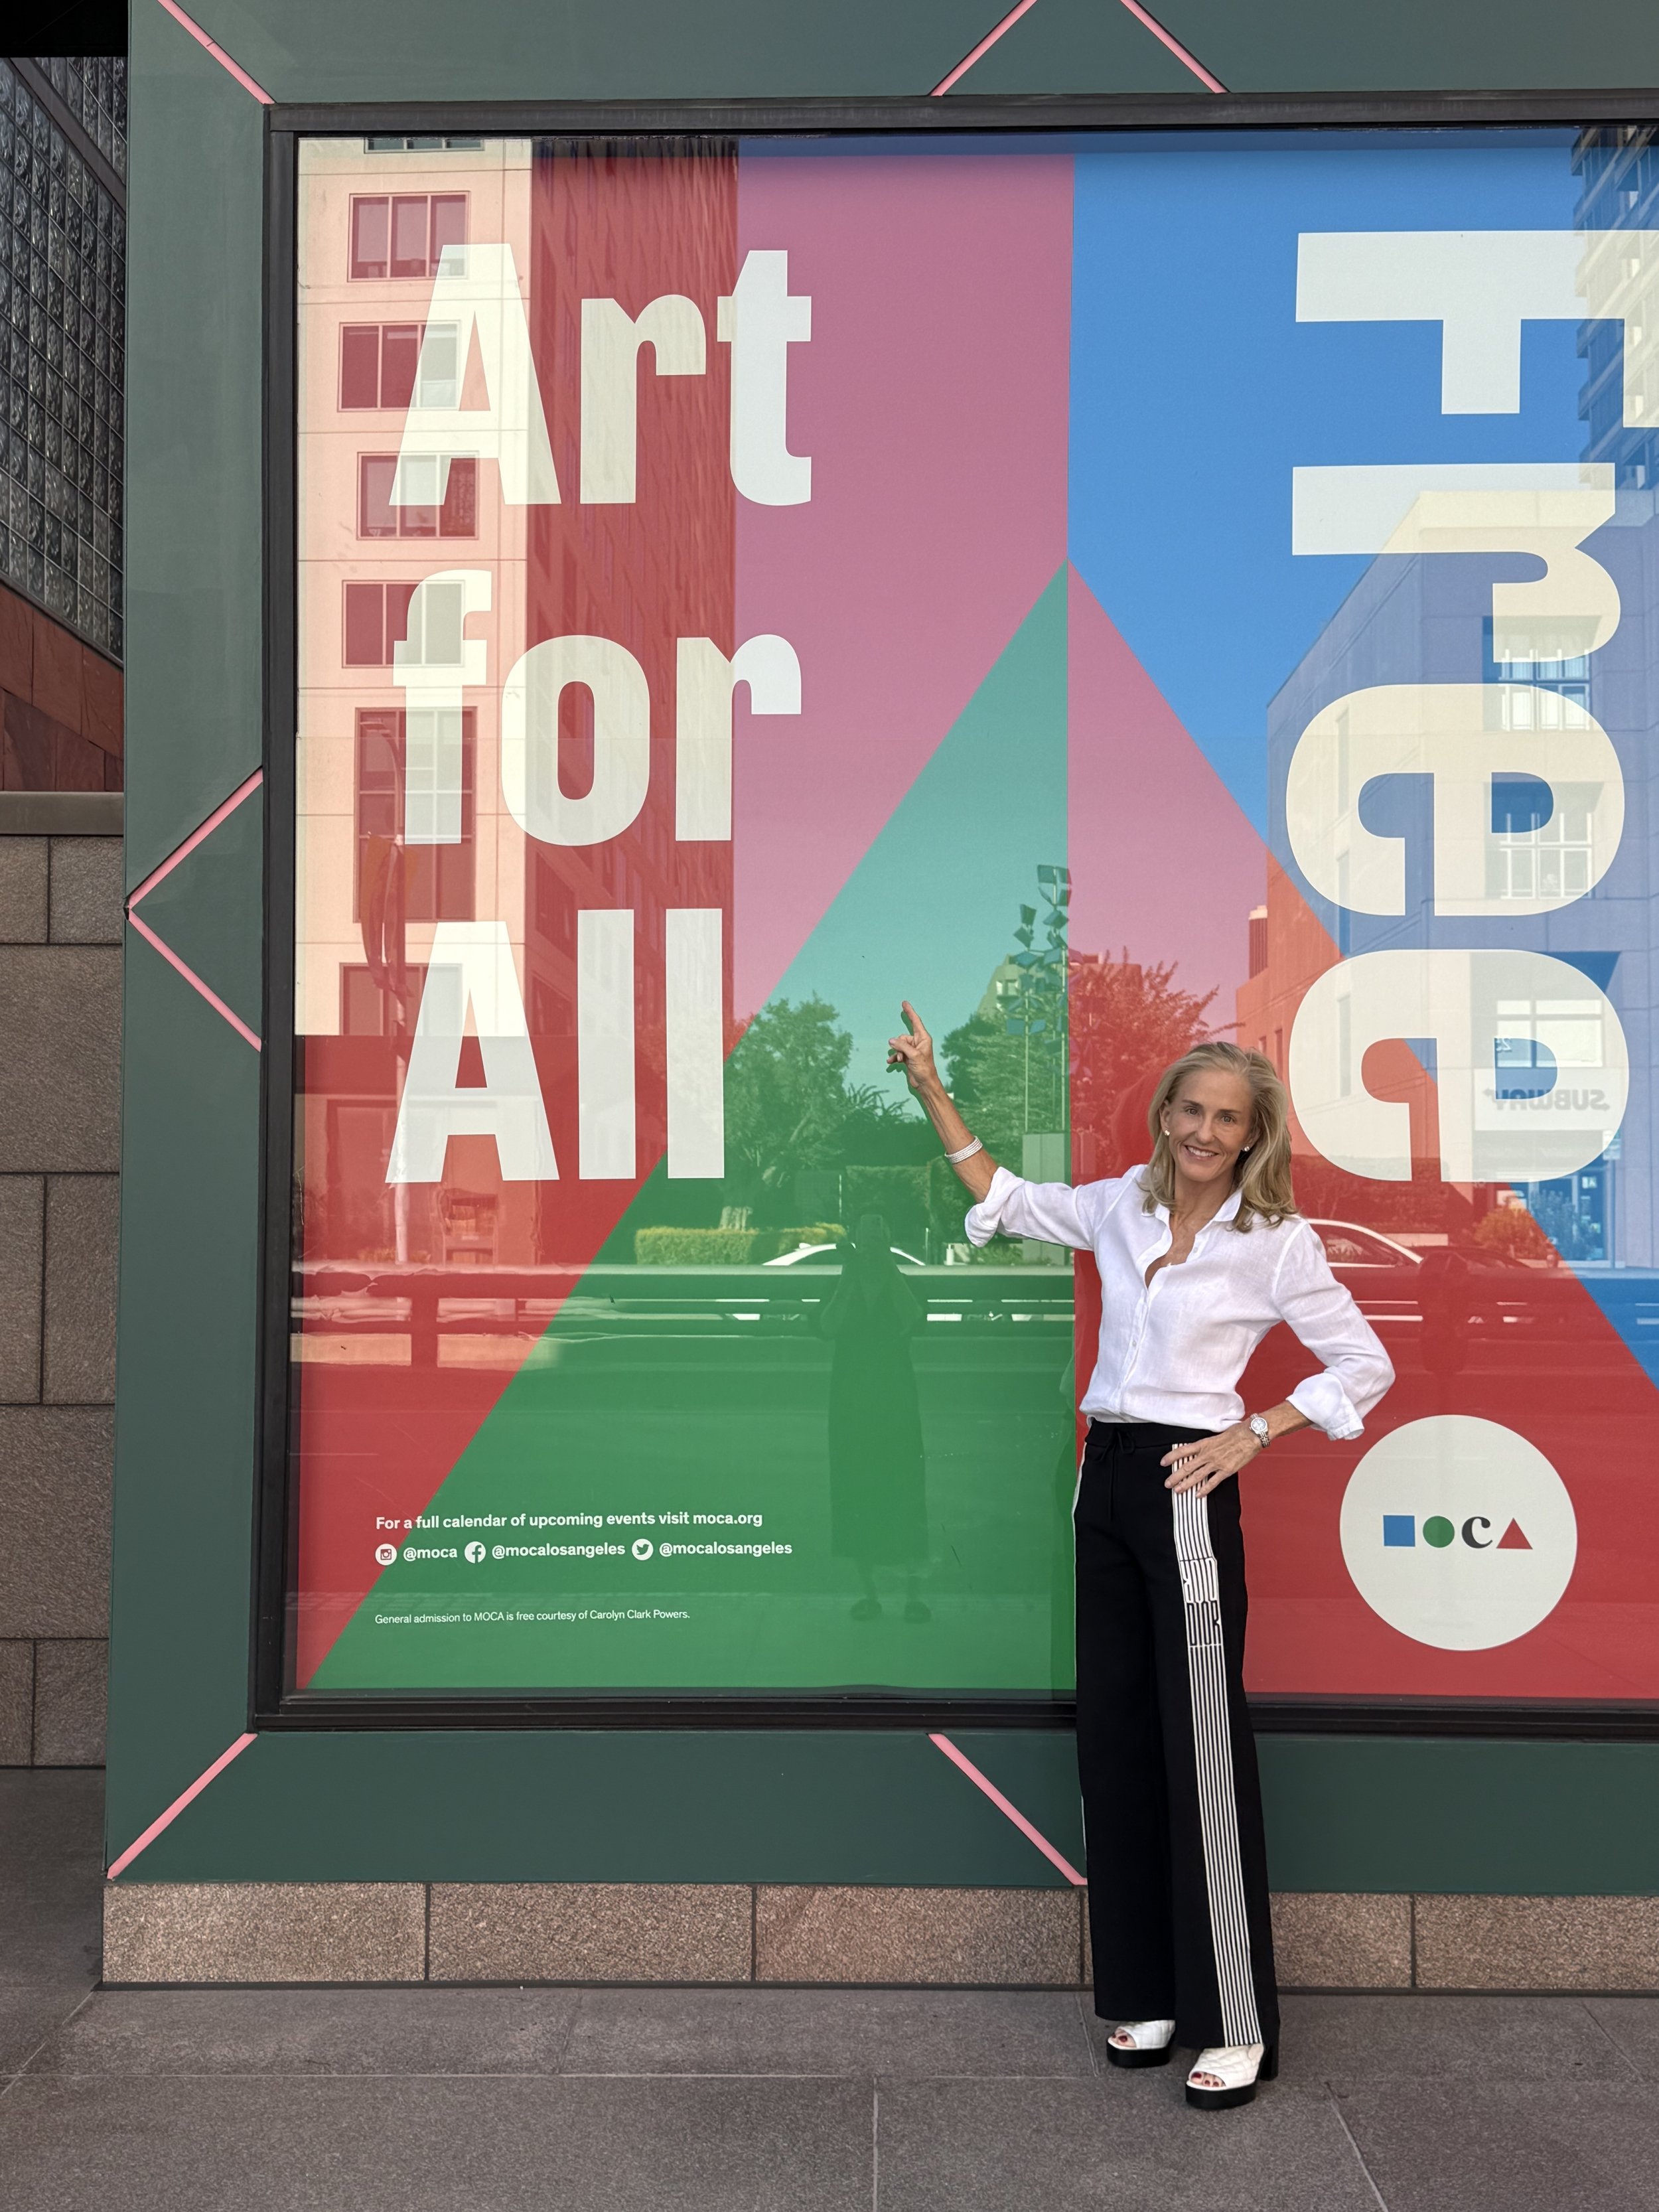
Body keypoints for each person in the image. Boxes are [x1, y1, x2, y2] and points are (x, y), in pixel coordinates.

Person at [886, 1005, 1393, 2110]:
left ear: (1253, 1137)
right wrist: (932, 1085)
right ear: (1166, 1113)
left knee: (1200, 1750)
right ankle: (1148, 1990)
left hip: (1186, 1486)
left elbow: (1365, 1362)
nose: (1207, 1131)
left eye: (1230, 1119)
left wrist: (1253, 1431)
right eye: (1194, 1109)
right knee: (1116, 1740)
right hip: (1105, 1476)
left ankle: (1236, 2020)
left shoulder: (1277, 1241)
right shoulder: (1121, 1202)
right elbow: (1005, 1195)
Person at [820, 1211, 930, 1622]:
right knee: (855, 1487)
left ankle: (912, 1595)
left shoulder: (902, 1280)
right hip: (850, 1399)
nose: (870, 1242)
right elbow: (827, 1327)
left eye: (878, 1234)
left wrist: (890, 1272)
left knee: (905, 1485)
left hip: (895, 1397)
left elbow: (913, 1322)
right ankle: (869, 1593)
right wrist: (849, 1279)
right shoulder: (842, 1281)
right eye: (865, 1235)